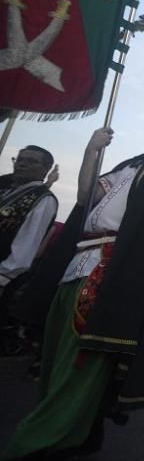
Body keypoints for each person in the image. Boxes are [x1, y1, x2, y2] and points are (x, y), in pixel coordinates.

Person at [2, 99, 144, 461]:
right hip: (79, 260)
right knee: (55, 355)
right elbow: (86, 197)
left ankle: (34, 442)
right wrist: (92, 151)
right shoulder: (133, 163)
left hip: (109, 266)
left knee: (79, 361)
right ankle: (79, 432)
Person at [0, 146, 58, 347]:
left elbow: (27, 244)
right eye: (20, 159)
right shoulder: (6, 189)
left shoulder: (43, 199)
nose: (22, 163)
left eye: (31, 161)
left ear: (45, 169)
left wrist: (4, 276)